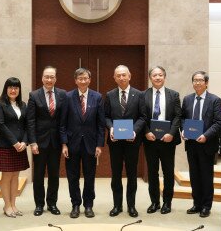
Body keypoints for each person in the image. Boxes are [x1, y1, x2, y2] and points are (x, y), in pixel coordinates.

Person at [60, 68, 105, 218]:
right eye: (80, 78)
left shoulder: (97, 97)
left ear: (90, 80)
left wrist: (99, 145)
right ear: (75, 80)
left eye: (86, 78)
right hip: (72, 144)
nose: (83, 81)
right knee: (72, 177)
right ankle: (75, 204)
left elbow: (100, 124)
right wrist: (64, 144)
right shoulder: (67, 97)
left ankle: (88, 205)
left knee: (90, 176)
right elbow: (63, 123)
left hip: (91, 145)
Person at [105, 65, 146, 218]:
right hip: (115, 142)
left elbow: (143, 117)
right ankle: (117, 205)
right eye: (118, 75)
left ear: (130, 76)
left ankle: (131, 206)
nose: (121, 78)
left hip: (132, 142)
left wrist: (135, 130)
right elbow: (106, 116)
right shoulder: (109, 95)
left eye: (124, 75)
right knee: (116, 175)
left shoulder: (139, 94)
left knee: (132, 174)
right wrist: (111, 128)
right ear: (114, 78)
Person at [27, 66, 67, 216]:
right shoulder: (34, 95)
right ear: (42, 78)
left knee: (54, 174)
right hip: (39, 142)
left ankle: (52, 203)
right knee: (38, 175)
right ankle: (39, 204)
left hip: (56, 142)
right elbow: (30, 121)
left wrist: (64, 142)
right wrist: (33, 142)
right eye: (46, 77)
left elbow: (63, 120)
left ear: (55, 79)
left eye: (52, 77)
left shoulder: (62, 94)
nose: (49, 80)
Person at [181, 71, 221, 218]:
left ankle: (206, 206)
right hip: (191, 144)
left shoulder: (215, 100)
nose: (197, 83)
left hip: (206, 144)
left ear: (206, 83)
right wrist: (183, 131)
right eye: (195, 80)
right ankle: (196, 203)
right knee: (194, 175)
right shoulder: (187, 99)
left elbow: (218, 123)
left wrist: (206, 135)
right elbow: (182, 119)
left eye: (200, 80)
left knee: (206, 176)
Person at [143, 66, 182, 214]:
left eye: (160, 75)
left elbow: (178, 116)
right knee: (152, 172)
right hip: (150, 140)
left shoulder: (174, 95)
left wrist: (172, 133)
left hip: (168, 140)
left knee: (167, 171)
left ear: (165, 77)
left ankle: (167, 202)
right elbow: (142, 117)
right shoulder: (143, 95)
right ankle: (154, 202)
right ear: (150, 78)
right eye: (154, 75)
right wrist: (146, 132)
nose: (158, 77)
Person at [0, 77, 29, 218]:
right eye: (10, 87)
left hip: (21, 146)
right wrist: (15, 142)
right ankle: (7, 205)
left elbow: (27, 125)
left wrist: (24, 142)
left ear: (19, 90)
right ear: (6, 89)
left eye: (16, 87)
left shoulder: (23, 105)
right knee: (7, 176)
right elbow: (1, 125)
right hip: (6, 146)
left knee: (15, 176)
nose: (13, 90)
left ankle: (13, 204)